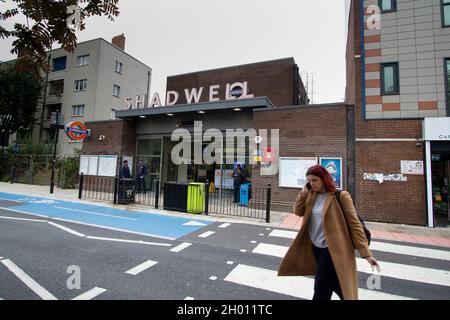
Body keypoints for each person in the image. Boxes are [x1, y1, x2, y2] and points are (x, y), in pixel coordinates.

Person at [278, 164, 380, 300]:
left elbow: (355, 225)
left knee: (320, 286)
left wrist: (366, 253)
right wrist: (303, 193)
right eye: (309, 180)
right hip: (316, 247)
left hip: (332, 249)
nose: (311, 183)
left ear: (324, 179)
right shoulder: (310, 195)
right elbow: (298, 211)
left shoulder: (341, 196)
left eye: (315, 180)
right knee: (333, 283)